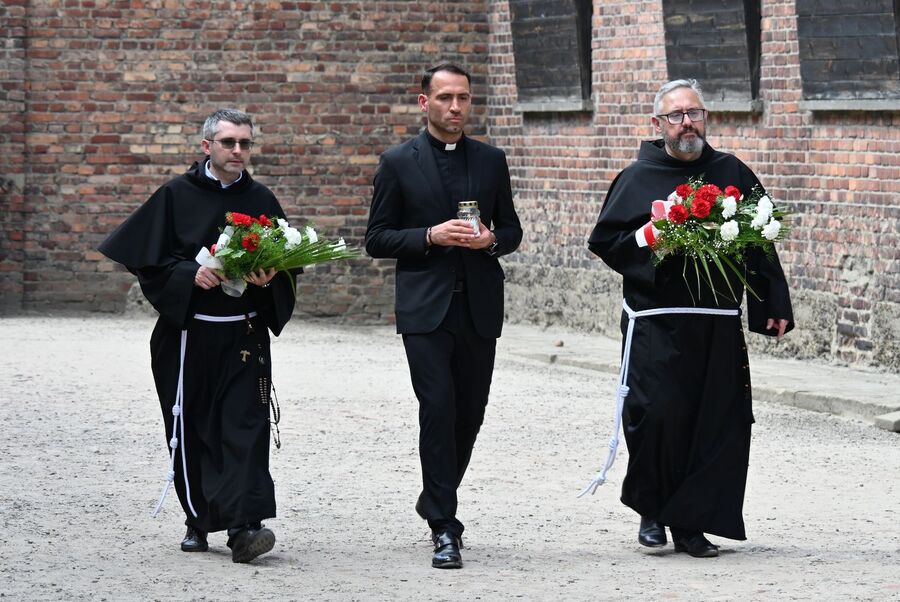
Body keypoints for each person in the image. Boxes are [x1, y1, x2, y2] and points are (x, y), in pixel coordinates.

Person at [586, 79, 794, 558]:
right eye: (676, 116)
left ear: (705, 119)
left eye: (694, 114)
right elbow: (607, 244)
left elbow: (759, 241)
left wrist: (772, 306)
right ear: (658, 125)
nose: (687, 123)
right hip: (657, 321)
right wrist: (649, 237)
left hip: (716, 322)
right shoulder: (636, 178)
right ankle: (653, 513)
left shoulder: (731, 171)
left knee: (715, 420)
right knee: (656, 415)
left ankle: (692, 522)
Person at [99, 109, 296, 563]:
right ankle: (198, 519)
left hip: (244, 336)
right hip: (190, 336)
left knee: (245, 427)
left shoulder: (261, 197)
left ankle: (247, 526)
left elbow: (287, 263)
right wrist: (191, 273)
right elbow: (145, 260)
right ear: (207, 146)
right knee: (194, 426)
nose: (238, 151)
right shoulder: (175, 195)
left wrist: (269, 277)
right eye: (229, 143)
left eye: (245, 143)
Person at [365, 63, 522, 569]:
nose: (455, 107)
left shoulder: (492, 160)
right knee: (437, 407)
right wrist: (429, 236)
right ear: (424, 101)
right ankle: (444, 524)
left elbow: (512, 230)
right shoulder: (396, 162)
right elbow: (376, 239)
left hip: (478, 306)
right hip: (425, 310)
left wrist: (491, 240)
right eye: (445, 98)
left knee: (469, 413)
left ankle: (436, 495)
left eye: (463, 99)